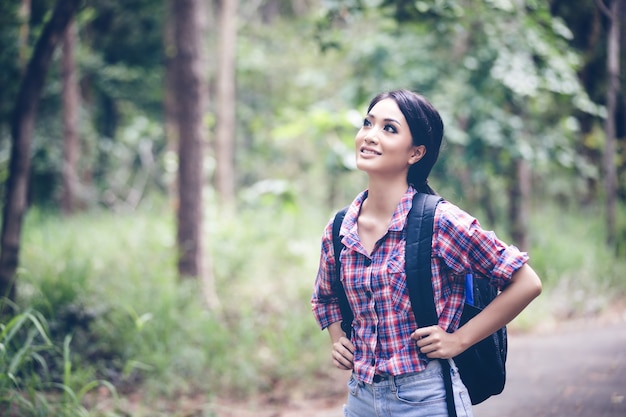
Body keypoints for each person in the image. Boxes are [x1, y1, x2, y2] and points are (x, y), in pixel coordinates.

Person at [310, 89, 542, 417]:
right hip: (361, 399)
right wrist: (338, 339)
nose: (370, 136)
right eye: (368, 123)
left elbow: (526, 282)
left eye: (389, 128)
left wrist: (459, 340)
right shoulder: (339, 228)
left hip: (426, 398)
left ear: (416, 152)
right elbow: (325, 298)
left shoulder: (439, 221)